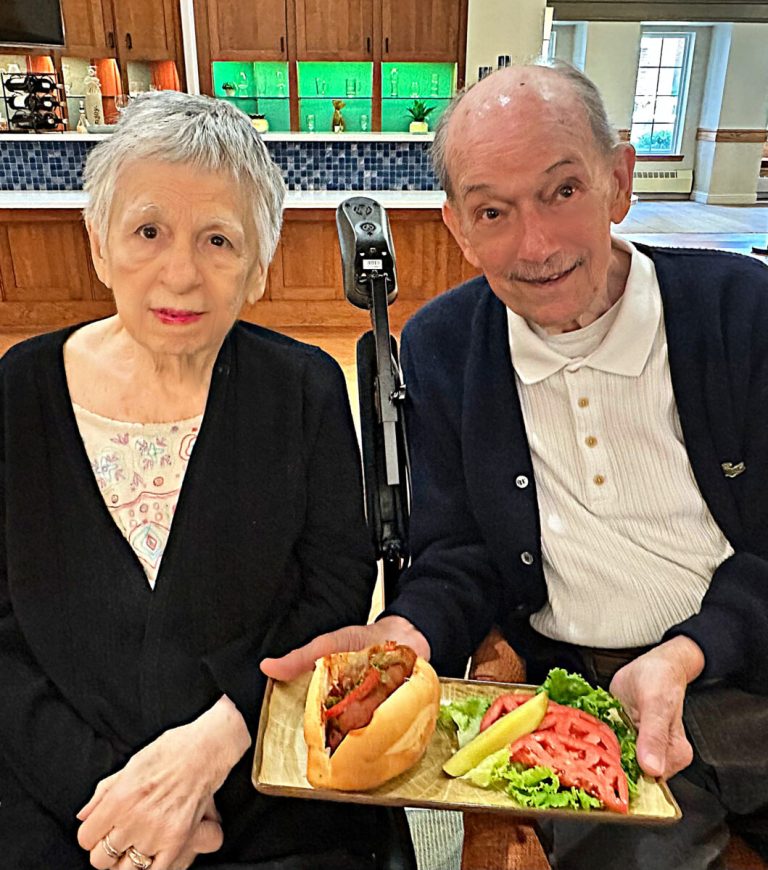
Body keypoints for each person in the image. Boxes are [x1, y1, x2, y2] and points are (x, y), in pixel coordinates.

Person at [263, 61, 768, 868]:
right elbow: (459, 555)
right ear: (459, 228)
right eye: (493, 211)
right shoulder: (441, 348)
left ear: (620, 179)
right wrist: (403, 635)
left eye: (563, 191)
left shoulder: (741, 310)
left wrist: (689, 651)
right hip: (588, 704)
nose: (535, 246)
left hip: (751, 664)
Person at [0, 91, 412, 870]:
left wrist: (211, 748)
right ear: (98, 244)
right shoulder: (19, 391)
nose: (180, 273)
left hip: (262, 773)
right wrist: (120, 800)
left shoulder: (304, 388)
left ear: (258, 268)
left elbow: (333, 590)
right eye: (148, 231)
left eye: (218, 240)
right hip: (59, 794)